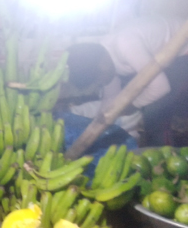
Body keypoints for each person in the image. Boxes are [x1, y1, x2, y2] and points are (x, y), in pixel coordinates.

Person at [62, 16, 188, 144]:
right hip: (166, 59)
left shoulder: (126, 45)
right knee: (139, 97)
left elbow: (161, 87)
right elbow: (111, 99)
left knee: (153, 115)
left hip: (183, 52)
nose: (101, 84)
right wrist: (98, 124)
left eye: (98, 81)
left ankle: (165, 154)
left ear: (102, 67)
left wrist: (133, 105)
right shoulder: (104, 56)